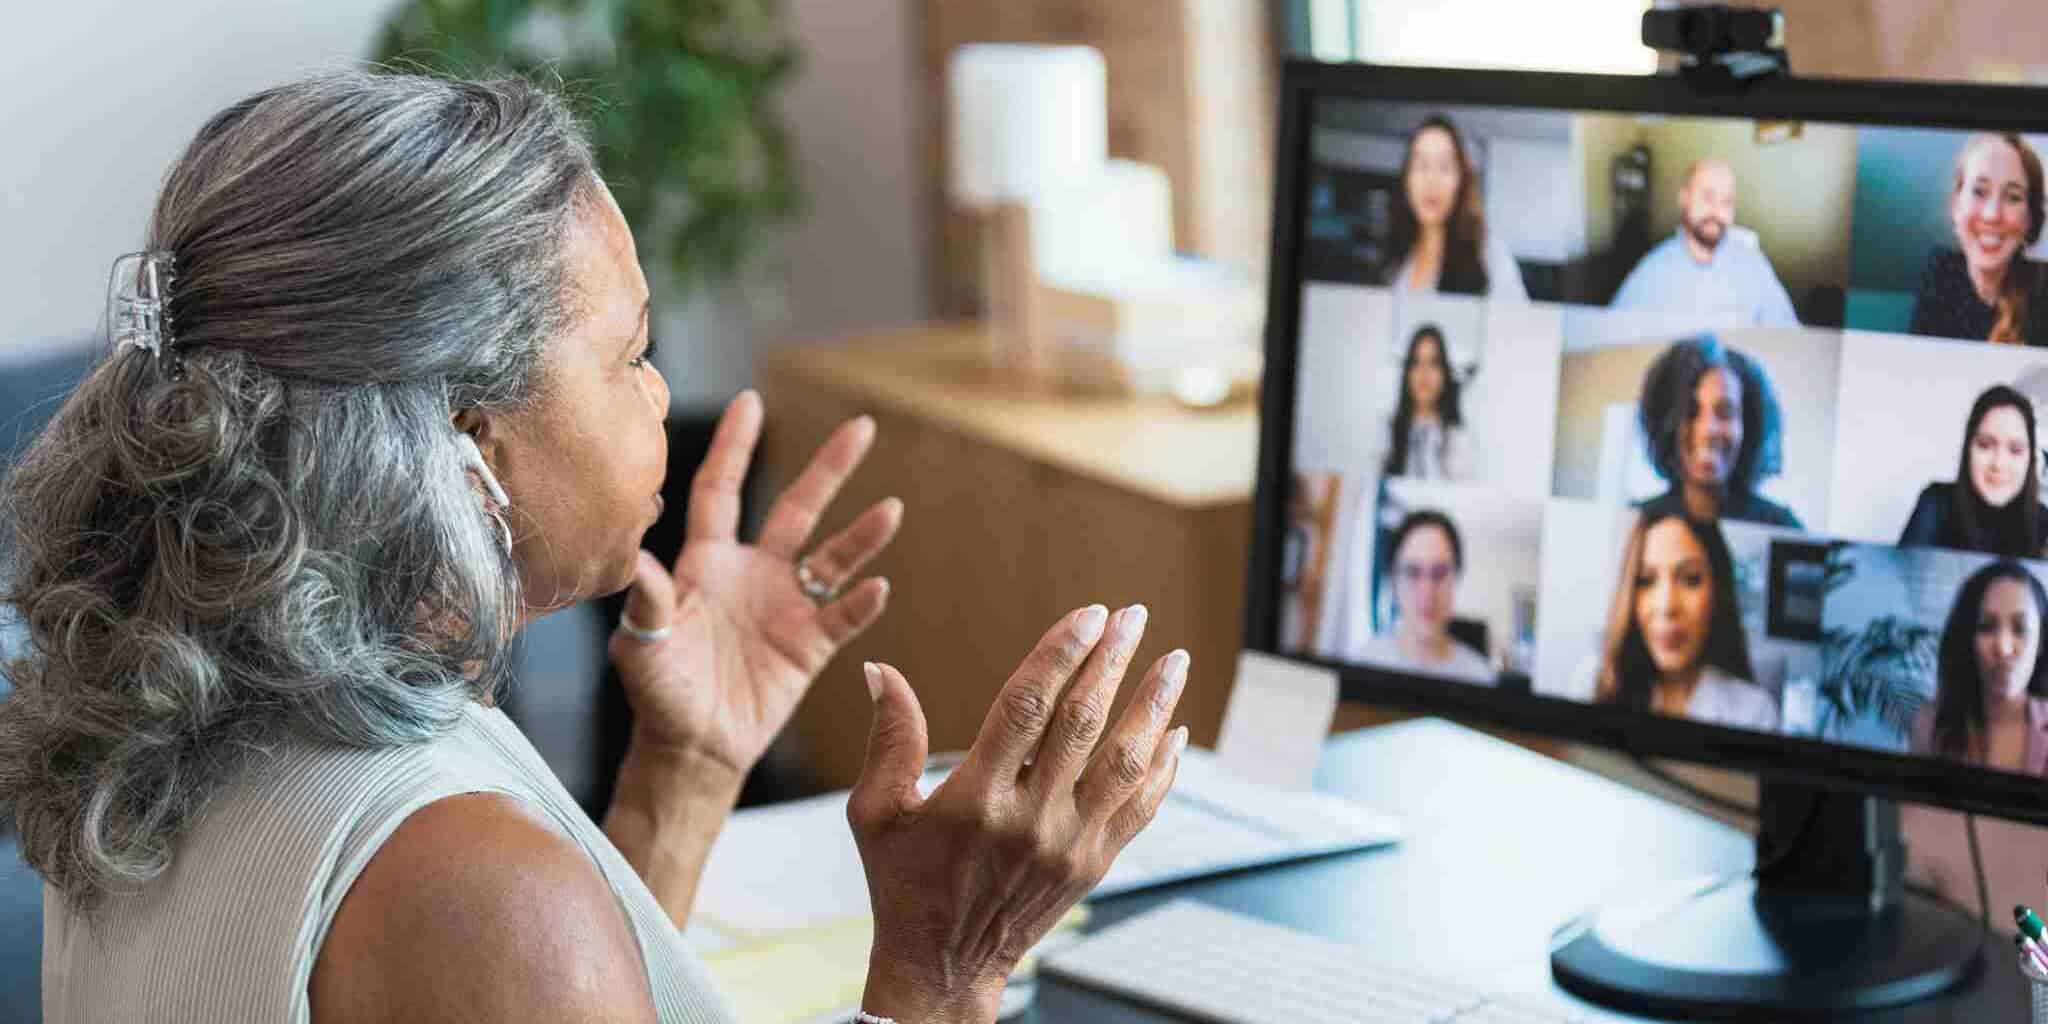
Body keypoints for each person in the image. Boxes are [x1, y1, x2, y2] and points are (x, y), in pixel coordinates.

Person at [0, 73, 1193, 1024]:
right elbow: (501, 942)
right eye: (627, 354)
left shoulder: (170, 737)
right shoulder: (464, 883)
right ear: (468, 437)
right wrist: (942, 973)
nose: (660, 389)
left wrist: (682, 774)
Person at [1592, 512, 1779, 731]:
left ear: (1718, 593)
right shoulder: (1592, 685)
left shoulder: (1755, 713)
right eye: (1646, 580)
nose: (1667, 606)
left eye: (1690, 579)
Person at [1633, 334, 1802, 528]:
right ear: (1666, 423)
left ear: (1749, 427)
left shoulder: (1782, 528)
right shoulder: (1638, 522)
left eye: (1725, 412)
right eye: (1691, 412)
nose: (1708, 430)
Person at [1609, 158, 1801, 326]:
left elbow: (1789, 333)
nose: (1717, 210)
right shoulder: (1651, 273)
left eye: (1727, 201)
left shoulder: (1754, 265)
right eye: (1707, 197)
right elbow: (1614, 338)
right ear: (1684, 199)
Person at [1908, 133, 2048, 345]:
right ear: (1956, 205)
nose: (1992, 214)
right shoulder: (1940, 270)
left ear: (2030, 219)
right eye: (1979, 191)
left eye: (2013, 197)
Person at [1911, 561, 2048, 775]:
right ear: (1968, 638)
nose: (2003, 649)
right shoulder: (1930, 725)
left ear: (2040, 642)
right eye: (1986, 627)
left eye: (2020, 629)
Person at [1382, 114, 1528, 300]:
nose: (1431, 181)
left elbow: (1518, 324)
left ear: (1461, 181)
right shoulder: (1397, 258)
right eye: (1421, 165)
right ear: (1407, 179)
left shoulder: (1489, 255)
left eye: (1444, 167)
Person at [1899, 385, 2048, 558]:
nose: (1998, 464)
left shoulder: (2043, 522)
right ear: (1968, 449)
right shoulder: (1936, 504)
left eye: (2015, 450)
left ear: (2030, 459)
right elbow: (1902, 581)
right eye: (1985, 445)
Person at [1358, 510, 1495, 685]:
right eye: (1413, 572)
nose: (1427, 591)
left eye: (1439, 573)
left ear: (1457, 578)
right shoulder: (1366, 662)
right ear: (1394, 580)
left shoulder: (1480, 677)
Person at [1382, 324, 1466, 481]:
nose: (1424, 373)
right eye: (1416, 363)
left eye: (1433, 363)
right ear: (1407, 372)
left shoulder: (1457, 437)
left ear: (1444, 374)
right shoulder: (1387, 431)